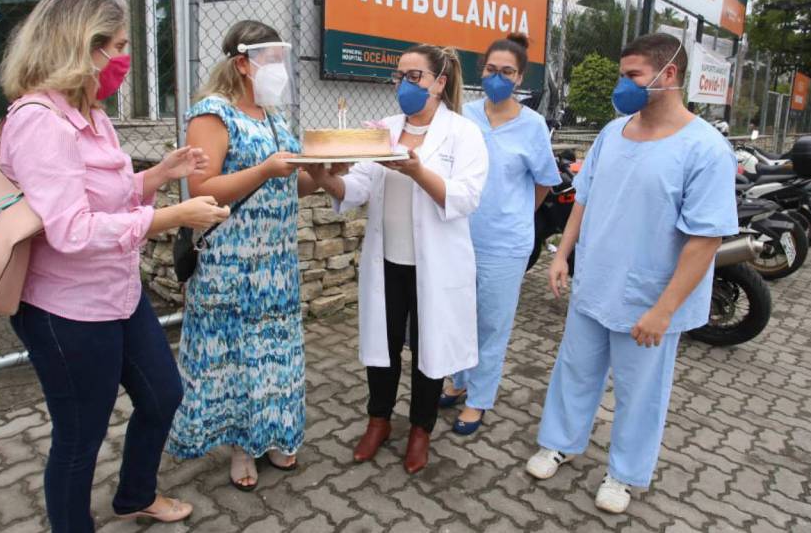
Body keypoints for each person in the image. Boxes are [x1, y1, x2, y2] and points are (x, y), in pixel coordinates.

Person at [0, 0, 230, 531]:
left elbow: (104, 193)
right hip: (67, 310)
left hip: (117, 295)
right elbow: (71, 230)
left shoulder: (88, 114)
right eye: (120, 46)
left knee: (163, 394)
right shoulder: (39, 121)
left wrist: (156, 177)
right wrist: (170, 219)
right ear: (85, 46)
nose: (125, 59)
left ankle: (134, 495)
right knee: (80, 434)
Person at [524, 33, 738, 514]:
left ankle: (623, 474)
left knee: (640, 393)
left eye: (633, 75)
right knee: (575, 370)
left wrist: (664, 311)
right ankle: (560, 441)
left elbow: (705, 241)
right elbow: (585, 196)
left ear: (670, 76)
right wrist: (562, 254)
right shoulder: (612, 132)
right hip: (595, 283)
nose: (624, 85)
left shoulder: (704, 149)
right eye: (624, 74)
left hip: (650, 298)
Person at [306, 44, 488, 474]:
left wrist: (418, 171)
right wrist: (325, 179)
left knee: (430, 348)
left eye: (414, 76)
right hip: (387, 260)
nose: (403, 84)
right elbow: (359, 188)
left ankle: (420, 429)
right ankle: (379, 420)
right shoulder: (384, 129)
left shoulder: (463, 134)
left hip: (436, 267)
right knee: (382, 347)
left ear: (439, 83)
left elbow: (466, 197)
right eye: (399, 76)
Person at [166, 20, 322, 492]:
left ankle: (273, 433)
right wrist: (265, 168)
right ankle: (239, 446)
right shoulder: (213, 114)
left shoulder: (274, 117)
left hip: (275, 265)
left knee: (274, 354)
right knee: (236, 358)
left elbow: (294, 182)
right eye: (271, 59)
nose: (281, 69)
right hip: (231, 264)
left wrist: (327, 170)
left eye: (281, 59)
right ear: (242, 63)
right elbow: (203, 188)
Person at [439, 33, 560, 435]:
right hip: (458, 234)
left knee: (492, 322)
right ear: (481, 71)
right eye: (492, 70)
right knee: (458, 315)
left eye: (507, 71)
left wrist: (516, 213)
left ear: (520, 76)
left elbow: (543, 182)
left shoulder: (533, 126)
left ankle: (478, 399)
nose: (498, 77)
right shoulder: (462, 115)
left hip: (506, 242)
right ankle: (457, 381)